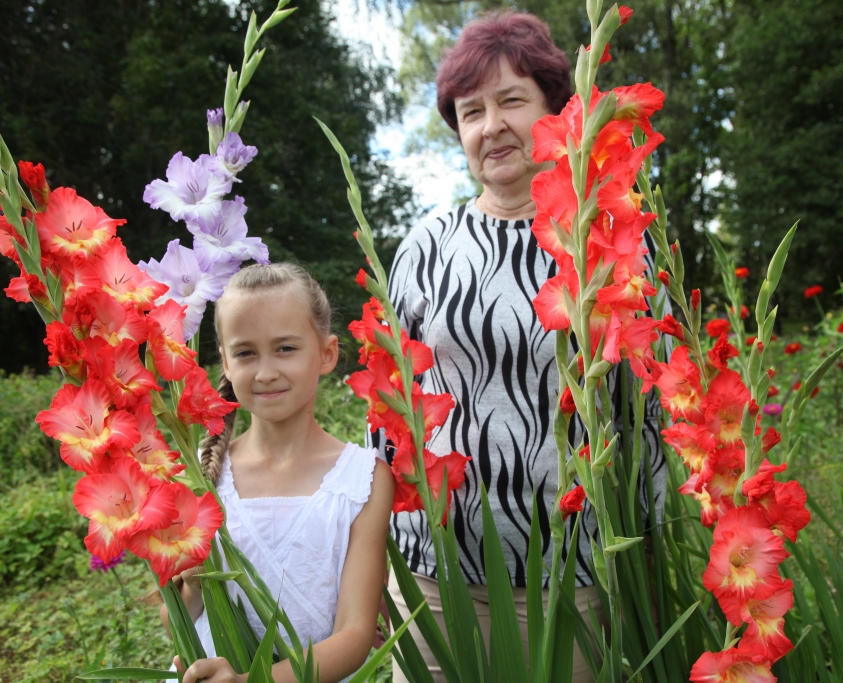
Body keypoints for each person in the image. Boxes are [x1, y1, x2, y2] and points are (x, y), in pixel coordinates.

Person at [376, 12, 669, 683]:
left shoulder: (608, 232)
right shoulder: (425, 246)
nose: (490, 126)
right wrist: (375, 558)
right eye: (470, 111)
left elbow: (643, 409)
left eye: (511, 100)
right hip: (438, 576)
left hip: (573, 578)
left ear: (556, 112)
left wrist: (648, 551)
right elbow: (390, 414)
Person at [162, 263, 395, 683]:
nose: (266, 372)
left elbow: (356, 634)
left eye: (285, 348)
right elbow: (176, 618)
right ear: (226, 364)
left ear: (327, 354)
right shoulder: (200, 473)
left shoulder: (363, 480)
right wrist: (194, 586)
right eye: (246, 353)